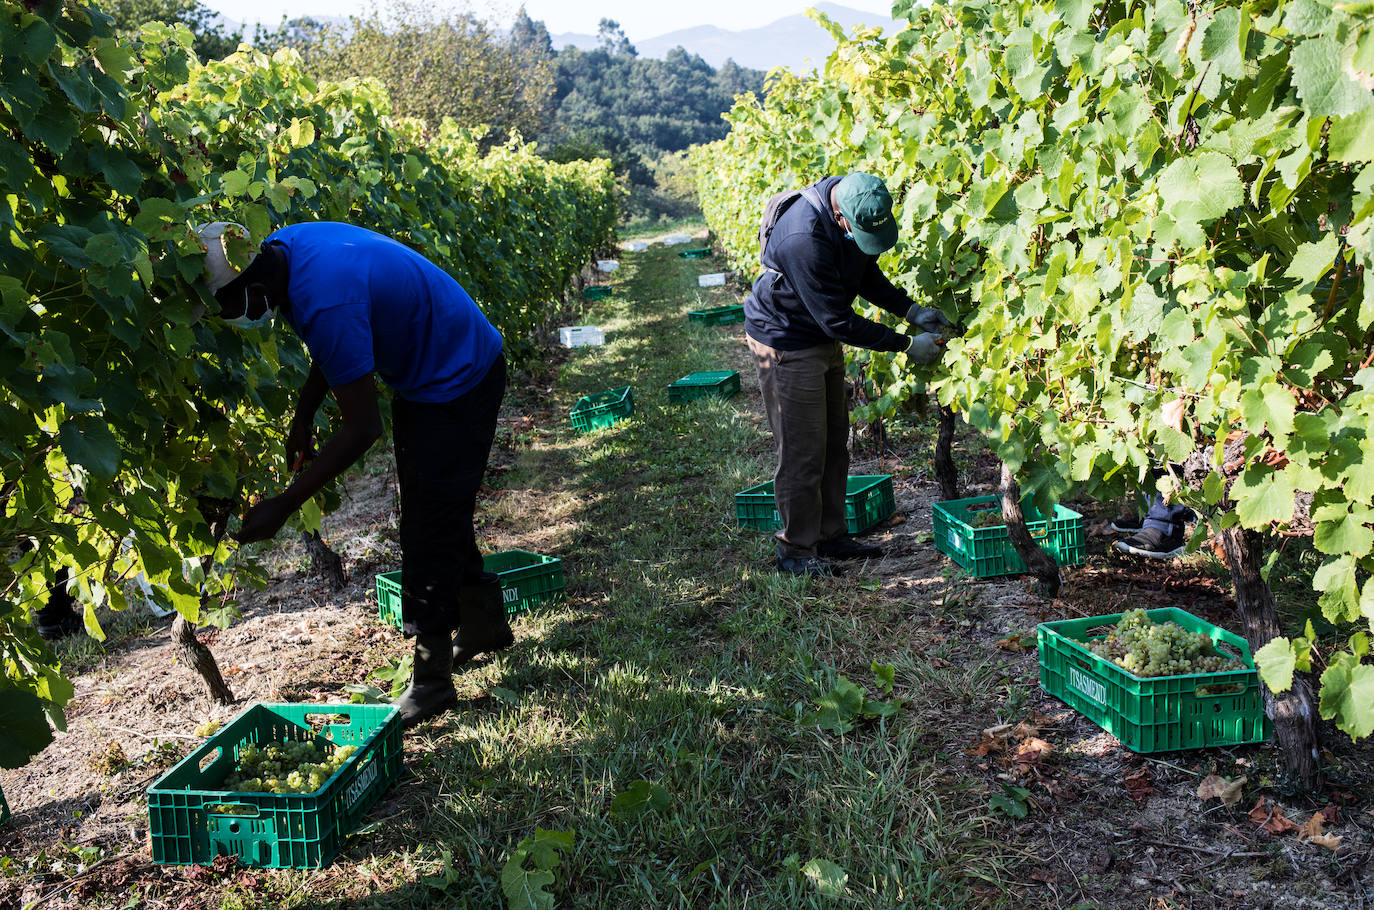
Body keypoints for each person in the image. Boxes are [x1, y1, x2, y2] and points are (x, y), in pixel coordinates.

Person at [197, 221, 512, 728]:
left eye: (228, 307)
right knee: (439, 508)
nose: (228, 318)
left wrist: (285, 502)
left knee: (428, 524)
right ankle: (484, 624)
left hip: (460, 375)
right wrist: (303, 415)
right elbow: (339, 343)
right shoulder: (286, 248)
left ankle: (432, 682)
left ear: (252, 288)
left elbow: (363, 428)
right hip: (428, 371)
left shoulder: (324, 298)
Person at [745, 173, 952, 577]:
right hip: (787, 340)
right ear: (841, 219)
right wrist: (908, 345)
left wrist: (910, 310)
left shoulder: (861, 204)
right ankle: (796, 551)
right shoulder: (802, 238)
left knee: (834, 441)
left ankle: (831, 535)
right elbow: (837, 321)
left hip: (819, 332)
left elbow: (864, 274)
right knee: (804, 449)